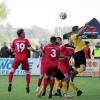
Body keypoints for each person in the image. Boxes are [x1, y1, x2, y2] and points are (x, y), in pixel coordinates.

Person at [8, 29, 37, 93]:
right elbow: (30, 49)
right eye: (24, 33)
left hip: (17, 57)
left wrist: (14, 51)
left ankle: (10, 83)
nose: (25, 34)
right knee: (27, 72)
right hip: (24, 58)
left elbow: (12, 51)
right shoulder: (26, 40)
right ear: (20, 34)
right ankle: (27, 86)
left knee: (12, 71)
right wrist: (36, 51)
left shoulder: (15, 40)